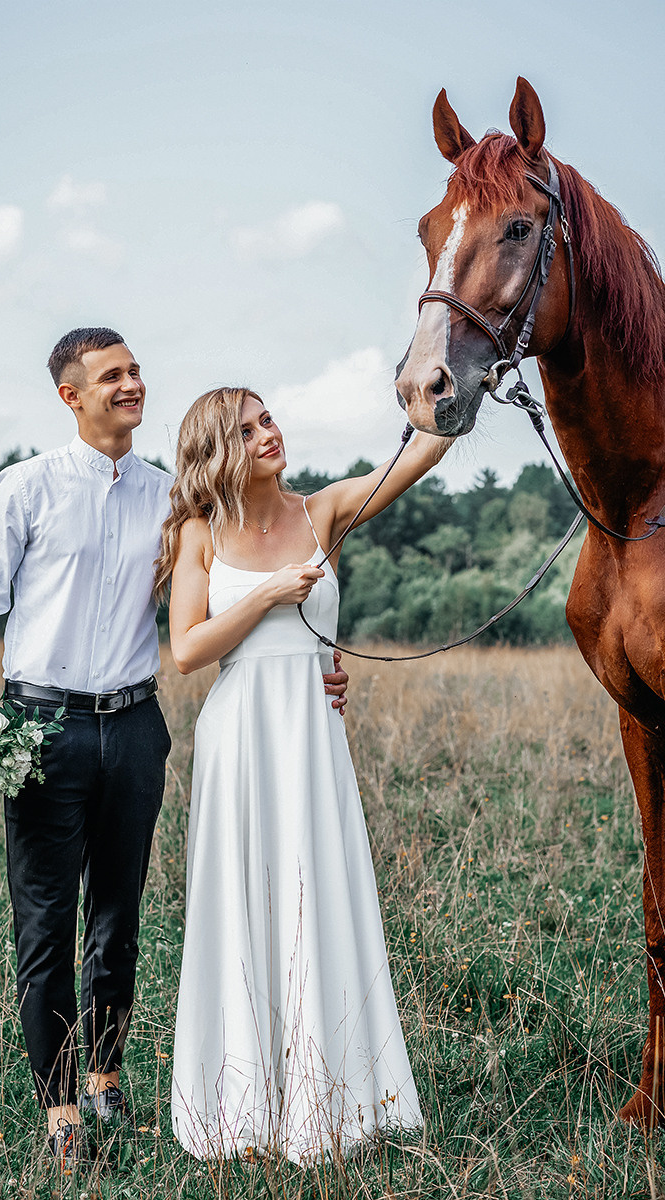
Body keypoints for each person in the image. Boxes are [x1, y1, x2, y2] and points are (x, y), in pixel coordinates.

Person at [0, 331, 349, 1168]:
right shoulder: (25, 487)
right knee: (46, 923)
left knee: (118, 918)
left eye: (135, 371)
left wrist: (315, 656)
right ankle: (61, 1111)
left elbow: (236, 575)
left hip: (132, 726)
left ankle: (106, 1079)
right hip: (40, 728)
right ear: (70, 395)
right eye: (112, 376)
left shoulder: (173, 501)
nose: (132, 384)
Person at [159, 386, 452, 1161]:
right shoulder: (198, 532)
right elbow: (186, 651)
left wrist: (458, 382)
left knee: (314, 894)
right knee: (244, 902)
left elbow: (420, 456)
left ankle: (333, 1099)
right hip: (240, 733)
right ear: (216, 451)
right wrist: (267, 594)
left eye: (268, 419)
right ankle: (244, 1107)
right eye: (246, 429)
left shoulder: (322, 511)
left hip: (313, 734)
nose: (268, 434)